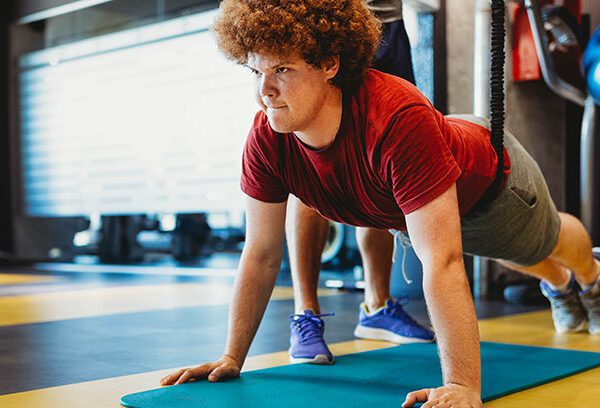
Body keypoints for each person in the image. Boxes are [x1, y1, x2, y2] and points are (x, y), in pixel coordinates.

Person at [161, 1, 600, 406]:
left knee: (546, 244)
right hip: (427, 189)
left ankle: (591, 277)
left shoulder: (393, 119)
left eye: (282, 69)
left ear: (329, 64)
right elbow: (259, 253)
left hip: (490, 184)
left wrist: (462, 385)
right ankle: (559, 287)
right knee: (513, 255)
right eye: (256, 73)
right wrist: (231, 356)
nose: (266, 91)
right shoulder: (268, 136)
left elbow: (443, 262)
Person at [286, 0, 433, 367]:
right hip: (315, 24)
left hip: (386, 25)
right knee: (310, 157)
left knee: (379, 157)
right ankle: (306, 314)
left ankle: (378, 306)